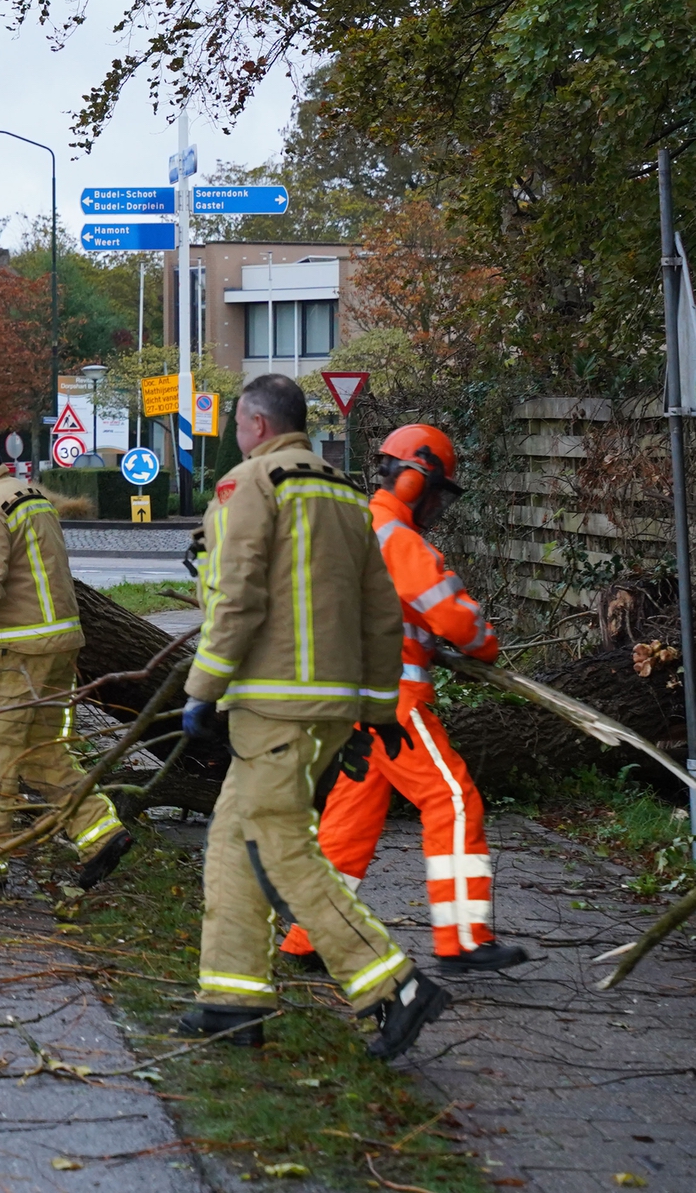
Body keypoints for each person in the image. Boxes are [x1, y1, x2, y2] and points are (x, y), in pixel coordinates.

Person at [179, 374, 446, 1061]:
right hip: (329, 707)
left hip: (270, 706)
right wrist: (379, 711)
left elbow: (235, 598)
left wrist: (202, 688)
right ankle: (230, 1000)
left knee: (282, 852)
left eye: (239, 424)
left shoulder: (251, 485)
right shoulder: (346, 495)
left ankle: (392, 985)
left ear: (255, 424)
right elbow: (383, 613)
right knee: (233, 842)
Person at [279, 425, 527, 974]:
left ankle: (310, 936)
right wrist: (484, 644)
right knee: (453, 799)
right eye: (436, 492)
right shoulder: (397, 538)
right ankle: (463, 937)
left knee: (350, 817)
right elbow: (454, 617)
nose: (437, 505)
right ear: (416, 479)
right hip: (395, 696)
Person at [0, 429, 132, 888]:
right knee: (42, 751)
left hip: (10, 650)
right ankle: (99, 830)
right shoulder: (31, 498)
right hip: (58, 648)